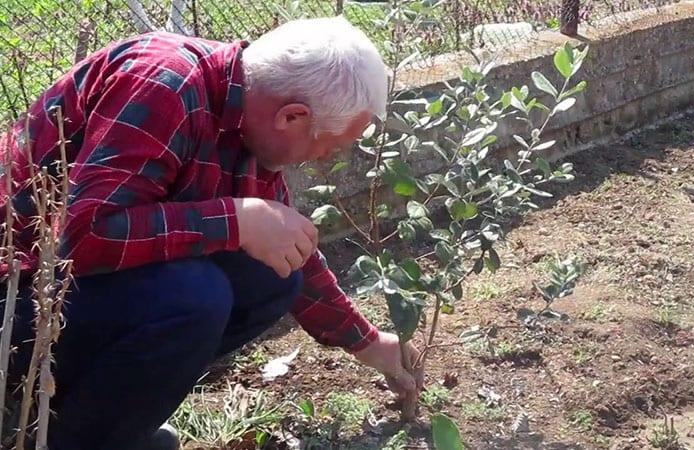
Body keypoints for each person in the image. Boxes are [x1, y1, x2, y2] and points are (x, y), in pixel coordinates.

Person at [0, 16, 423, 450]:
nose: (318, 159)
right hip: (15, 293)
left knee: (272, 276)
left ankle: (96, 423)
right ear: (292, 116)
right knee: (193, 298)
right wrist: (236, 220)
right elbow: (80, 236)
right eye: (327, 145)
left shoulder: (245, 118)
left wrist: (367, 342)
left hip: (68, 297)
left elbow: (290, 247)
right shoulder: (165, 85)